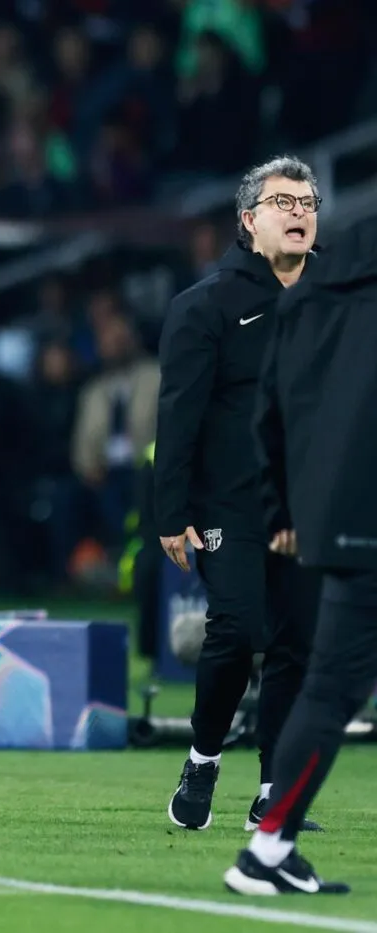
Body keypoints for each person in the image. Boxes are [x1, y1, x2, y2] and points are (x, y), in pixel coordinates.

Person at [153, 156, 322, 833]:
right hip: (231, 502)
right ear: (249, 220)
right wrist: (171, 512)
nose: (299, 212)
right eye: (284, 202)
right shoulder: (206, 306)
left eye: (307, 203)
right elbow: (178, 414)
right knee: (240, 628)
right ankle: (203, 758)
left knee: (298, 642)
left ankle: (275, 791)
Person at [219, 215, 377, 897]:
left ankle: (269, 848)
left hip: (336, 519)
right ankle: (266, 849)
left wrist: (285, 512)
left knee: (328, 689)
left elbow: (270, 413)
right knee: (331, 689)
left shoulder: (311, 292)